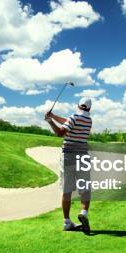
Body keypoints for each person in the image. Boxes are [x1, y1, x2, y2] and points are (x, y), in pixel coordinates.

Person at [45, 97, 92, 233]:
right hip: (83, 156)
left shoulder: (73, 118)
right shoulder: (88, 120)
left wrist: (50, 121)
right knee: (85, 188)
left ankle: (67, 222)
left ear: (78, 105)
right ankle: (83, 213)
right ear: (89, 109)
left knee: (67, 190)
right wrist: (53, 116)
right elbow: (68, 122)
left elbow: (60, 132)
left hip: (68, 157)